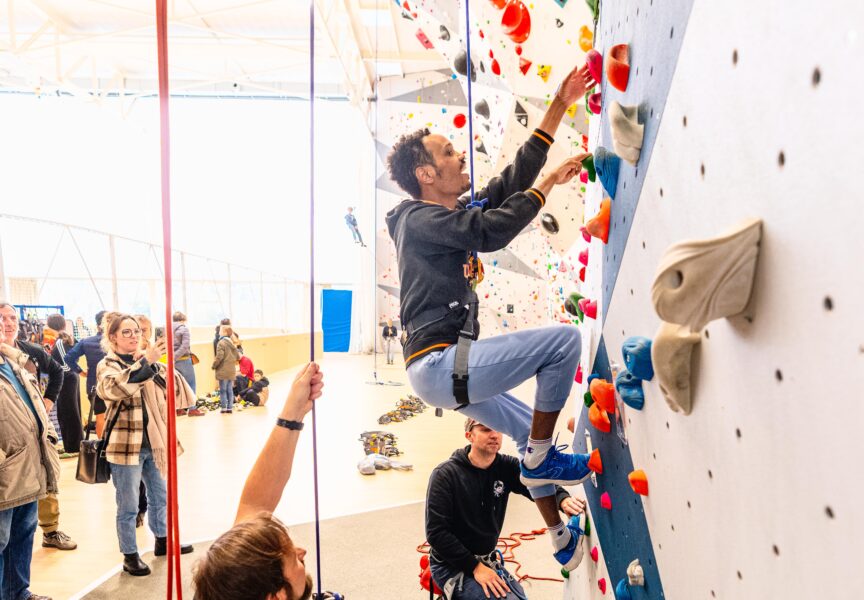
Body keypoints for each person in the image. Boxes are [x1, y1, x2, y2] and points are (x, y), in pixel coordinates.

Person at [385, 61, 598, 570]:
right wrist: (546, 188)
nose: (461, 156)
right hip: (442, 365)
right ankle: (543, 456)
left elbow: (505, 185)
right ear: (426, 174)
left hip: (446, 369)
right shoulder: (419, 221)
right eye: (449, 154)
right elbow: (494, 230)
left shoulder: (440, 217)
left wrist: (560, 105)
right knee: (562, 344)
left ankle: (558, 537)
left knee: (529, 434)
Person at [192, 362, 324, 600]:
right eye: (293, 560)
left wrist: (293, 412)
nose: (302, 551)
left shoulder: (228, 586)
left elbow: (255, 505)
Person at [427, 418, 586, 599]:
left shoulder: (506, 467)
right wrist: (476, 568)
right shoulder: (445, 474)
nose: (494, 434)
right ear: (469, 435)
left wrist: (562, 499)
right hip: (450, 565)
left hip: (487, 560)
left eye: (498, 429)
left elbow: (535, 483)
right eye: (485, 429)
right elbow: (436, 533)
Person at [96, 313, 195, 576]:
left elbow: (175, 392)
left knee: (161, 497)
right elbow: (113, 389)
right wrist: (147, 363)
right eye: (126, 332)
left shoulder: (150, 362)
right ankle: (130, 555)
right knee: (128, 506)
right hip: (125, 446)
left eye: (137, 331)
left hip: (156, 444)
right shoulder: (108, 365)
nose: (134, 336)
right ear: (113, 337)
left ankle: (163, 541)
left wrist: (163, 367)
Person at [0, 303, 78, 553]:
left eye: (12, 318)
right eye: (2, 318)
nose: (8, 323)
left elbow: (57, 372)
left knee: (46, 485)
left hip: (37, 435)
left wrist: (47, 402)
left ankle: (51, 530)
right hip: (10, 444)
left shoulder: (29, 351)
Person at [0, 318, 60, 600]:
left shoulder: (13, 362)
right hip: (5, 471)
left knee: (22, 535)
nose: (4, 326)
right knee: (0, 540)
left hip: (28, 466)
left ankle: (17, 593)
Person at [64, 310, 109, 437]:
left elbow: (68, 358)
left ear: (98, 325)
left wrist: (81, 372)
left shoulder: (87, 342)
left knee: (100, 417)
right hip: (115, 384)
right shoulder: (117, 341)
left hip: (94, 385)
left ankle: (102, 450)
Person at [45, 314, 83, 455]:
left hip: (67, 379)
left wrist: (61, 372)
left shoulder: (61, 341)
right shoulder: (60, 340)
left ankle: (75, 448)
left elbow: (66, 363)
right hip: (66, 378)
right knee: (65, 412)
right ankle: (69, 445)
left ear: (50, 326)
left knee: (70, 412)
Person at [213, 325, 240, 414]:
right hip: (231, 371)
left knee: (223, 390)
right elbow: (238, 356)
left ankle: (224, 408)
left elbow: (219, 357)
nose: (219, 332)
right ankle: (230, 408)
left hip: (223, 370)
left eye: (220, 331)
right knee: (230, 390)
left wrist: (214, 365)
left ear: (224, 332)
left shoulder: (221, 343)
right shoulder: (232, 343)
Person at [171, 311, 196, 394]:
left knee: (178, 385)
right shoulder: (184, 329)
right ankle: (192, 407)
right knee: (190, 384)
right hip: (184, 360)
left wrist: (172, 358)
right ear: (182, 320)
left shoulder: (166, 329)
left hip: (172, 362)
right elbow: (185, 346)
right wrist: (175, 356)